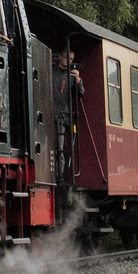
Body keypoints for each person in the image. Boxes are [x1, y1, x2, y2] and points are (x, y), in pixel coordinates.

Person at [51, 48, 83, 189]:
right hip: (49, 112)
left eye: (71, 59)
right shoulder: (50, 70)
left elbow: (80, 93)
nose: (68, 62)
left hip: (63, 116)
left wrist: (77, 80)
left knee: (60, 148)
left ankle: (60, 176)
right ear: (60, 56)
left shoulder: (71, 76)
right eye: (66, 58)